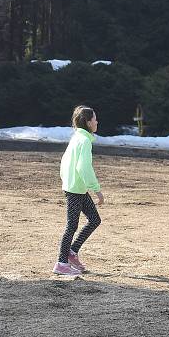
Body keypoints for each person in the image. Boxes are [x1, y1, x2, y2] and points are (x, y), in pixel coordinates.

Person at [54, 105, 104, 276]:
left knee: (94, 220)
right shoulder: (83, 141)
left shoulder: (77, 138)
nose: (97, 121)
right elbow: (84, 168)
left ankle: (72, 252)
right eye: (95, 119)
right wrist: (97, 190)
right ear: (88, 122)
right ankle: (61, 263)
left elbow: (64, 162)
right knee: (72, 225)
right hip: (75, 189)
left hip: (77, 188)